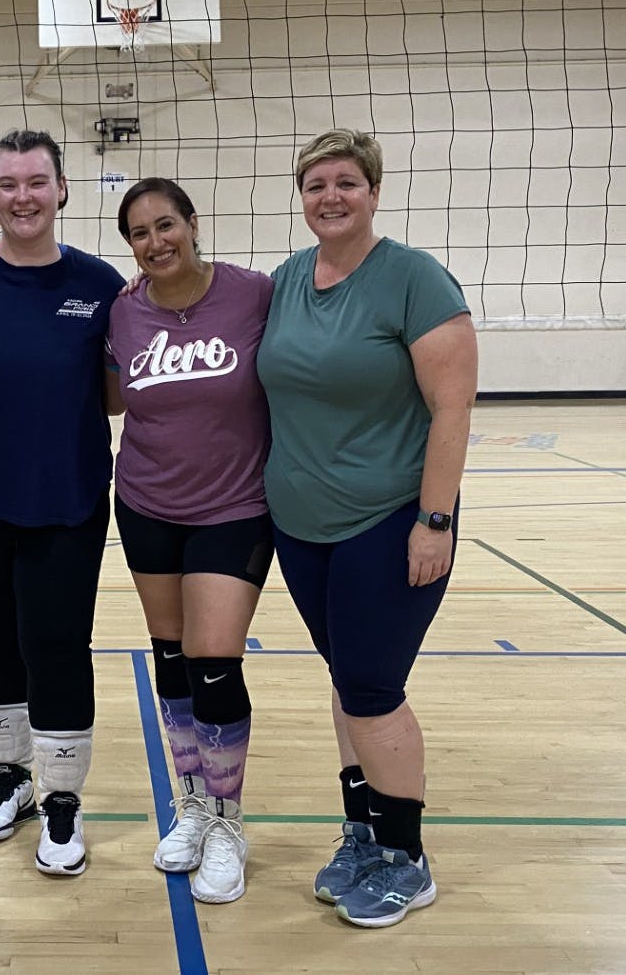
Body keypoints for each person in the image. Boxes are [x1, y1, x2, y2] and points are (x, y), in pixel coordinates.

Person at [256, 128, 476, 927]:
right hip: (300, 525)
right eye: (315, 185)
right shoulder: (285, 279)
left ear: (373, 191)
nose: (330, 197)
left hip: (387, 521)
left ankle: (406, 859)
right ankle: (362, 833)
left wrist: (434, 520)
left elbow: (451, 408)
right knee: (348, 682)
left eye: (346, 182)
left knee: (373, 690)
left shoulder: (413, 278)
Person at [0, 130, 125, 876]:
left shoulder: (100, 284)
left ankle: (64, 800)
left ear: (62, 189)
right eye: (7, 183)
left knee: (57, 642)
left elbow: (114, 395)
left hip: (67, 495)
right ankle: (10, 776)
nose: (22, 197)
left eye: (36, 182)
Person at [105, 177, 274, 904]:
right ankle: (194, 804)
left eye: (165, 224)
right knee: (169, 657)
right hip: (145, 502)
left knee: (212, 661)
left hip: (233, 506)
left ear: (192, 223)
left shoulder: (253, 294)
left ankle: (229, 822)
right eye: (139, 233)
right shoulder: (122, 312)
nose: (155, 242)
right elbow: (109, 393)